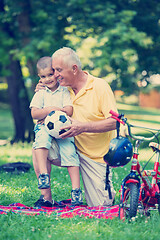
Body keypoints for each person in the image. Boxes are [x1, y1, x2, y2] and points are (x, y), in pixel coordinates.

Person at [33, 47, 118, 207]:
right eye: (53, 71)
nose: (55, 75)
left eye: (58, 70)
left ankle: (105, 189)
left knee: (101, 205)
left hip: (94, 157)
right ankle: (46, 198)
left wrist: (83, 127)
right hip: (67, 146)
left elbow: (114, 122)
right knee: (39, 144)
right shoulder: (59, 88)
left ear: (74, 69)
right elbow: (40, 108)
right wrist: (40, 91)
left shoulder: (99, 86)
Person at [30, 56, 83, 207]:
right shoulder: (40, 93)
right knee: (41, 141)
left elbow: (69, 110)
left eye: (50, 74)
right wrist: (47, 110)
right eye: (42, 76)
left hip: (62, 129)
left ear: (56, 73)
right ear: (39, 78)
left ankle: (76, 192)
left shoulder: (64, 91)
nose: (47, 79)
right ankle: (43, 175)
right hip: (44, 127)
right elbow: (34, 114)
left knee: (70, 153)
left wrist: (57, 110)